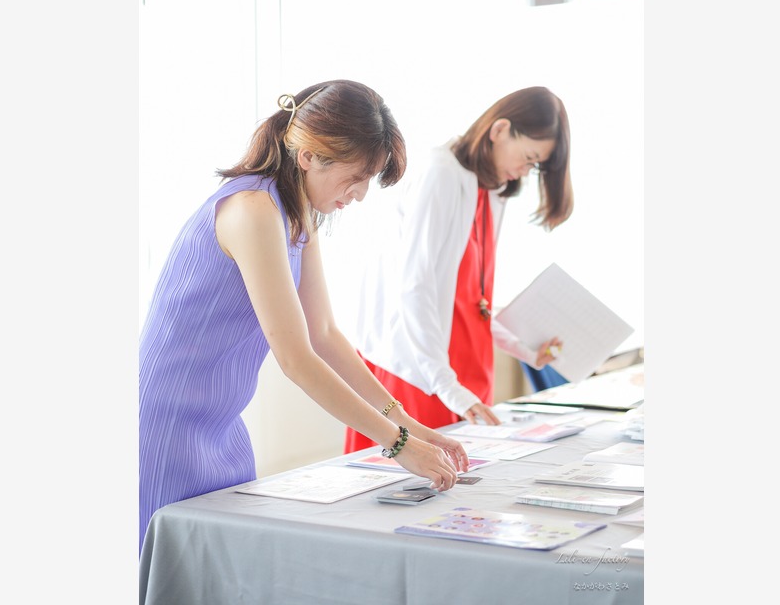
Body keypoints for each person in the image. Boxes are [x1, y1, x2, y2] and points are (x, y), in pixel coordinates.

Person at [139, 79, 469, 552]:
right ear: (311, 155)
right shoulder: (251, 208)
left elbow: (326, 335)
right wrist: (398, 446)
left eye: (367, 182)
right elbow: (295, 358)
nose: (358, 195)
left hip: (222, 427)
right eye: (354, 178)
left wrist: (411, 427)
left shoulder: (299, 213)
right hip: (164, 428)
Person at [344, 86, 573, 452]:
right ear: (499, 130)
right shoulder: (442, 174)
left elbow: (472, 301)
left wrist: (526, 350)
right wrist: (448, 387)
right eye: (529, 158)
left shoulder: (492, 189)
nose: (525, 172)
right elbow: (415, 289)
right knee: (409, 494)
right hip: (421, 373)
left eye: (535, 166)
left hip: (463, 375)